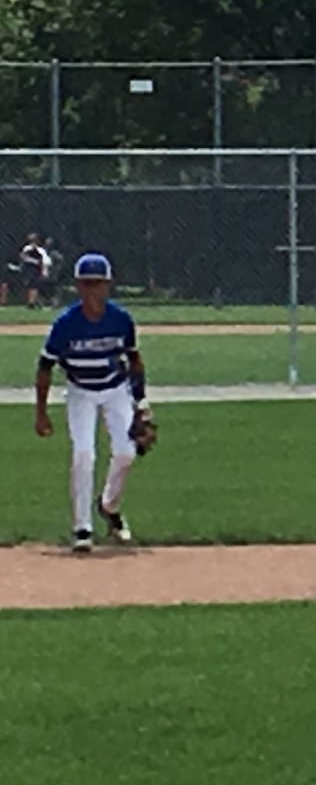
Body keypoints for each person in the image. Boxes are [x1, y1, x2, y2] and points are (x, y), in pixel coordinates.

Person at [34, 253, 146, 552]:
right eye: (86, 284)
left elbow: (134, 359)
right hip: (80, 391)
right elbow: (45, 368)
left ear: (108, 286)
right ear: (78, 287)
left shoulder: (120, 319)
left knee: (126, 453)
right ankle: (82, 528)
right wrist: (41, 413)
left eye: (97, 284)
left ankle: (108, 505)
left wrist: (140, 401)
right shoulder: (66, 324)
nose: (92, 290)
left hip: (115, 389)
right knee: (84, 455)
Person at [19, 233, 46, 309]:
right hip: (30, 269)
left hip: (36, 269)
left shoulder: (40, 250)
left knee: (34, 286)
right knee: (31, 286)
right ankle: (31, 303)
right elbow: (23, 257)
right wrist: (34, 261)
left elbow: (43, 260)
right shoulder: (27, 248)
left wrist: (42, 269)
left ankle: (33, 303)